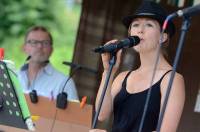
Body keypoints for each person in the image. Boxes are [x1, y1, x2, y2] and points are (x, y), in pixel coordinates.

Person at [90, 1, 185, 132]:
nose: (140, 30)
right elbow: (101, 115)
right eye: (135, 25)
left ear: (163, 37)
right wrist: (108, 72)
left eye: (149, 25)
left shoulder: (172, 79)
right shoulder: (123, 77)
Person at [18, 26, 79, 101]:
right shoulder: (14, 76)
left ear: (51, 50)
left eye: (45, 43)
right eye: (34, 42)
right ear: (24, 48)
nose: (40, 46)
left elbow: (74, 112)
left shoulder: (64, 83)